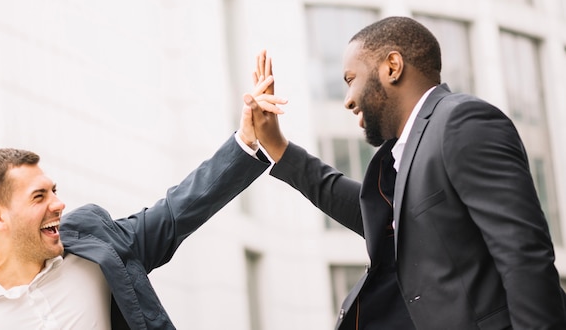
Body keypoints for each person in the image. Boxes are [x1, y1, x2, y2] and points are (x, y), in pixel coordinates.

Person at [243, 17, 566, 330]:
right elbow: (376, 215)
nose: (348, 100)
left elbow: (523, 256)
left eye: (351, 78)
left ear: (392, 67)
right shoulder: (410, 151)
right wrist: (277, 147)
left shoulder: (462, 122)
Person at [0, 72, 286, 330]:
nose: (58, 204)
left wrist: (245, 139)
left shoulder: (95, 241)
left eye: (54, 190)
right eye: (38, 197)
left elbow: (174, 213)